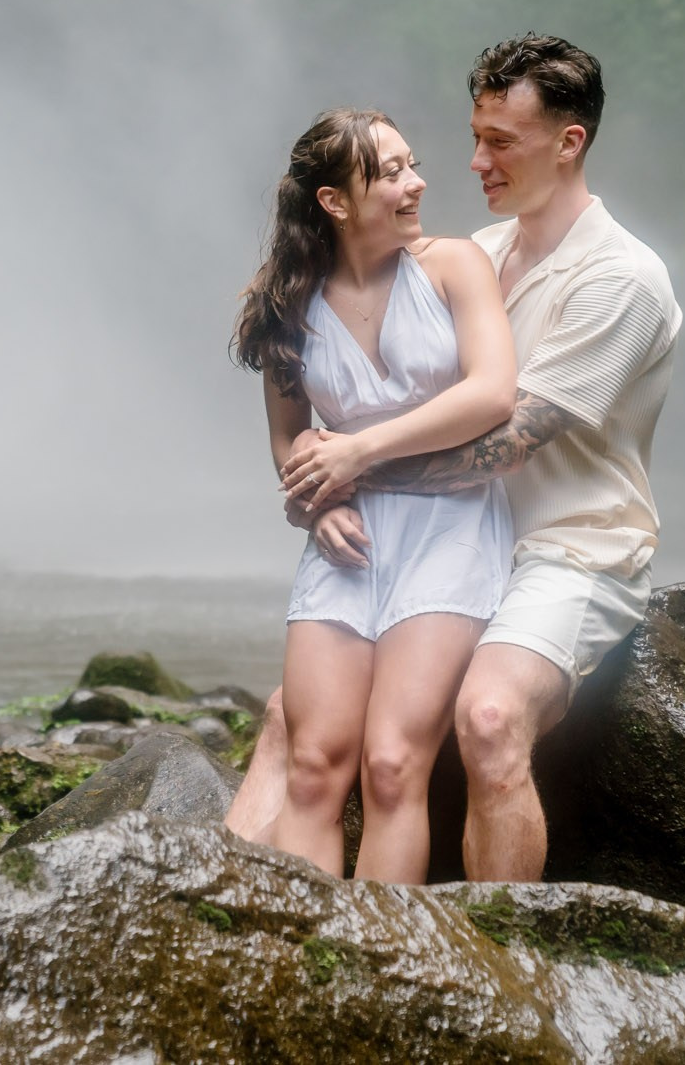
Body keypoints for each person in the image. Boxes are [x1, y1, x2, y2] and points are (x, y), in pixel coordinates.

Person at [225, 34, 682, 885]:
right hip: (465, 534)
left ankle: (492, 966)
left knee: (488, 713)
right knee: (297, 715)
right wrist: (314, 492)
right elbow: (318, 403)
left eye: (499, 142)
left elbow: (504, 436)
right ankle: (230, 911)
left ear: (569, 141)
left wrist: (343, 465)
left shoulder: (621, 279)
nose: (472, 161)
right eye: (475, 135)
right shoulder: (478, 248)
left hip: (564, 545)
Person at [229, 107, 517, 879]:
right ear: (334, 201)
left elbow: (493, 394)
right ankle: (303, 960)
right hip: (348, 538)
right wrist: (318, 502)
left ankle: (380, 965)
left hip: (450, 525)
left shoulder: (454, 267)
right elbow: (289, 440)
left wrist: (356, 449)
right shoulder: (285, 299)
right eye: (390, 172)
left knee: (391, 764)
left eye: (411, 164)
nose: (417, 182)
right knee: (317, 764)